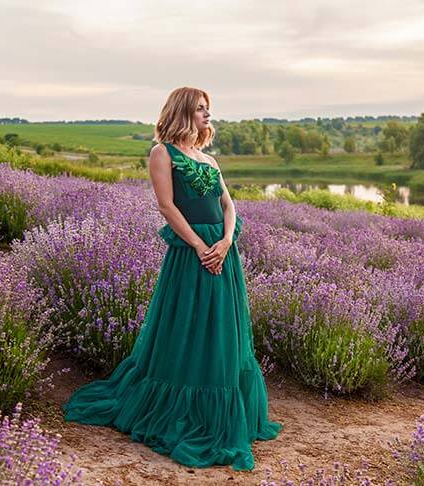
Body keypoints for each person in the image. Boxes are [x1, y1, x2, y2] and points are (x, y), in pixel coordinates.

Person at [62, 86, 282, 471]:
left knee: (221, 331)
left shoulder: (209, 159)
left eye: (208, 110)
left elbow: (228, 204)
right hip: (191, 255)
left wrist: (227, 241)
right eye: (201, 109)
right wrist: (200, 246)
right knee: (187, 328)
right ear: (183, 112)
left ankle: (219, 409)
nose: (207, 116)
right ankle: (180, 409)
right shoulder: (162, 153)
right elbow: (166, 205)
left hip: (222, 255)